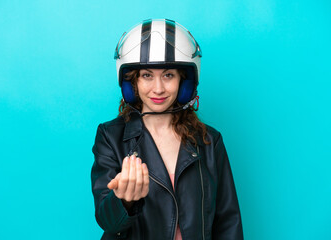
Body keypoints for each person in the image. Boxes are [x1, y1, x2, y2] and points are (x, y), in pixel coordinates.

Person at [91, 19, 243, 240]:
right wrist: (124, 201)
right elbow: (107, 222)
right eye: (147, 75)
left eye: (168, 75)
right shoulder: (110, 137)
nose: (158, 88)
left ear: (185, 82)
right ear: (131, 83)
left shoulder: (209, 140)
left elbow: (228, 221)